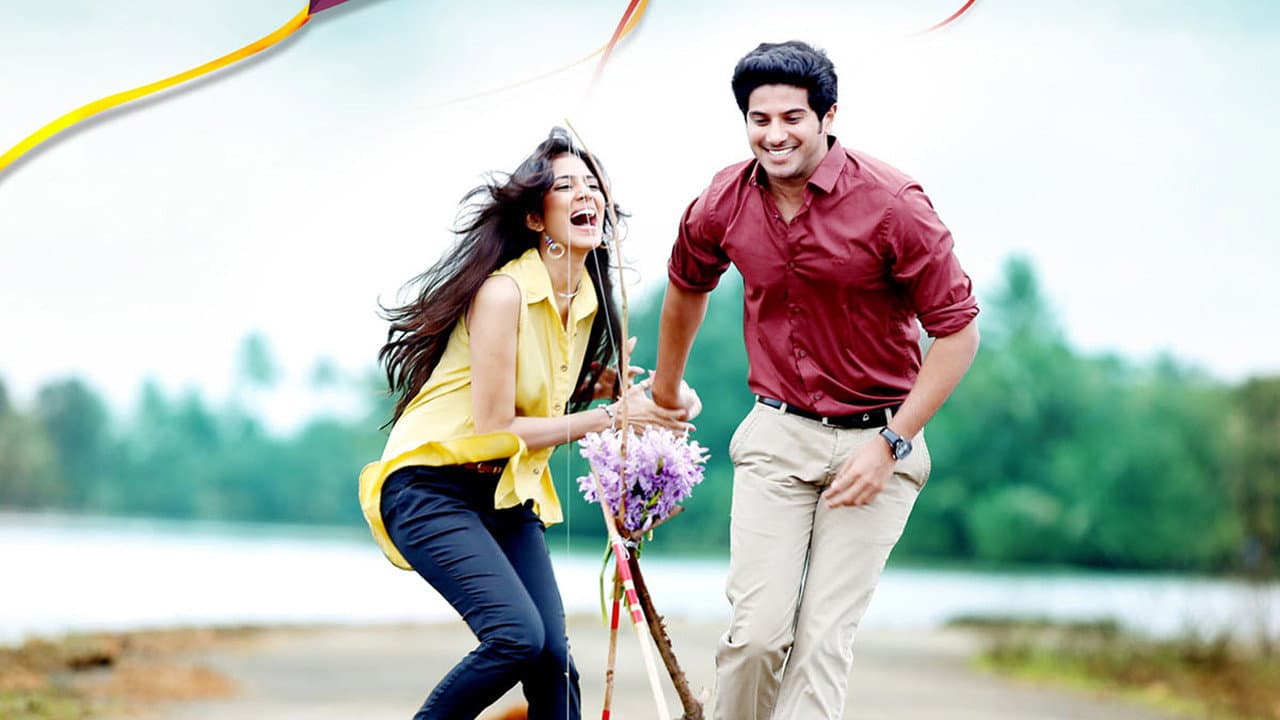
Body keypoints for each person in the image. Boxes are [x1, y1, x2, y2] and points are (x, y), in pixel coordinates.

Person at [649, 41, 981, 719]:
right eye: (759, 119)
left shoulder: (893, 204)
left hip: (880, 441)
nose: (775, 135)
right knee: (754, 641)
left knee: (822, 645)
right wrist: (665, 391)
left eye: (792, 118)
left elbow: (958, 333)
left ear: (828, 116)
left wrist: (891, 445)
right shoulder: (722, 200)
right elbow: (686, 283)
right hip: (777, 433)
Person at [358, 127, 693, 720]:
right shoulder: (503, 293)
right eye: (566, 186)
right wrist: (609, 415)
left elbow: (567, 400)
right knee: (515, 637)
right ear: (536, 218)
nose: (586, 194)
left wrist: (651, 398)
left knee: (554, 662)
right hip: (431, 486)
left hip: (506, 494)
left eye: (593, 185)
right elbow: (495, 425)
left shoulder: (589, 301)